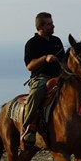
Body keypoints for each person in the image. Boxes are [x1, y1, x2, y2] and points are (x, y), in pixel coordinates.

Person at [21, 12, 65, 146]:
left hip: (59, 77)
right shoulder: (32, 43)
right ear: (40, 27)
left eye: (52, 23)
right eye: (49, 24)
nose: (53, 26)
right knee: (36, 93)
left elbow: (64, 61)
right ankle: (29, 128)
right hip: (40, 78)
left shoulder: (57, 41)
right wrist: (44, 58)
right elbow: (29, 66)